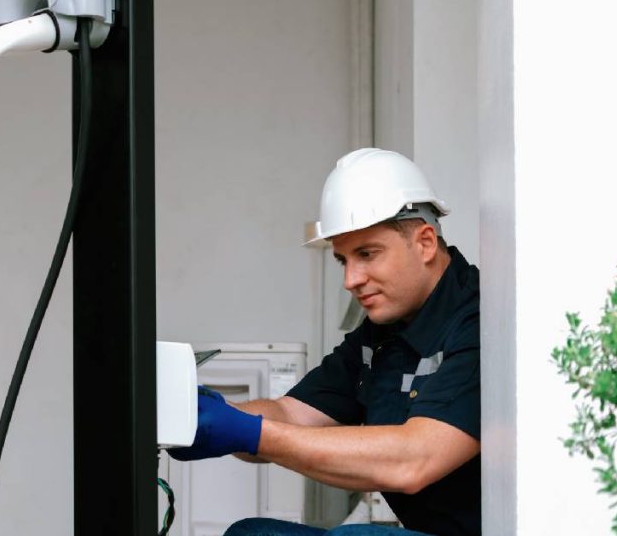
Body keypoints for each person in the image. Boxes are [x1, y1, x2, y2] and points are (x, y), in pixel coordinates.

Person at [169, 148, 480, 536]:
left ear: (425, 242)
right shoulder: (383, 332)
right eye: (343, 260)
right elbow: (293, 413)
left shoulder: (481, 322)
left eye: (367, 254)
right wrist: (206, 416)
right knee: (251, 535)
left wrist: (250, 432)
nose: (351, 280)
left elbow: (414, 461)